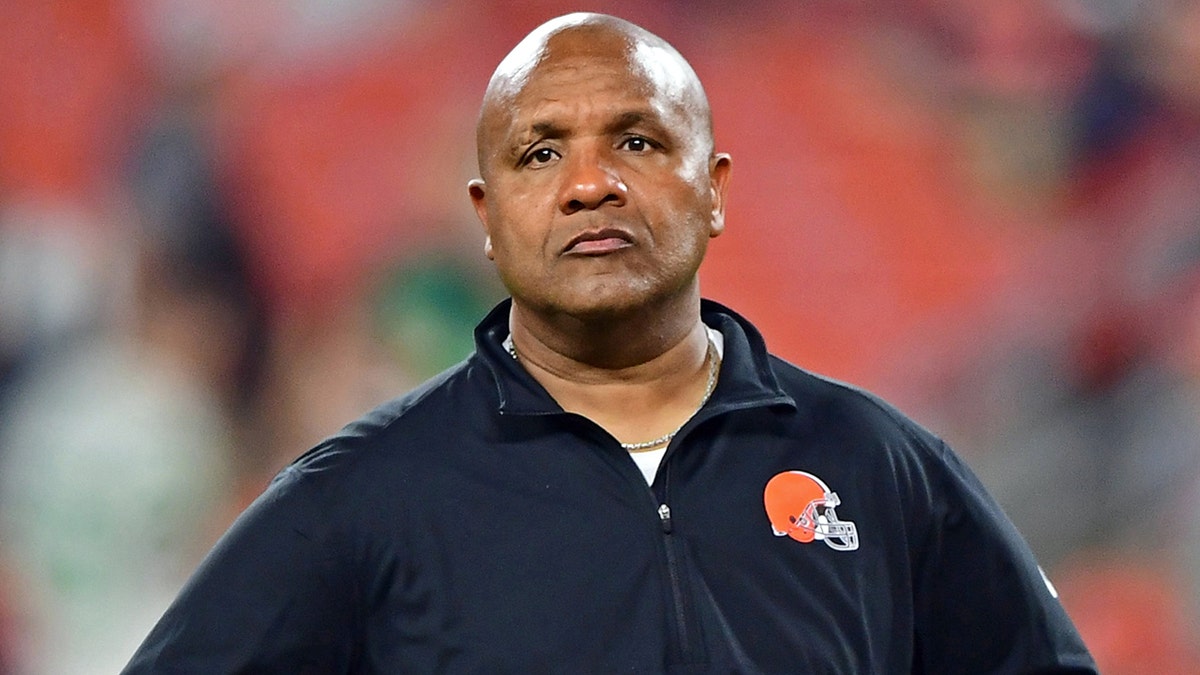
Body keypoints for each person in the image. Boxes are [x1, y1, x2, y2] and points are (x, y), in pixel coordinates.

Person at [122, 12, 1097, 673]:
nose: (592, 186)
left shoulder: (879, 464)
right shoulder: (364, 490)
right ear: (487, 214)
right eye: (542, 154)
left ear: (713, 187)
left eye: (637, 143)